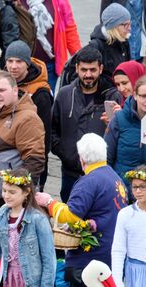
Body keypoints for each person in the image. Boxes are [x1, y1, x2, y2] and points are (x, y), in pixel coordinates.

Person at [36, 133, 128, 287]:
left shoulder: (88, 182)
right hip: (110, 256)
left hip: (90, 260)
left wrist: (49, 203)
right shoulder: (115, 178)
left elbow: (71, 216)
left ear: (82, 158)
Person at [0, 72, 46, 234]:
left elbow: (35, 161)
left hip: (11, 202)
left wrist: (18, 194)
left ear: (15, 90)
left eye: (2, 90)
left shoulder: (27, 118)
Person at [52, 46, 123, 202]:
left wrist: (117, 120)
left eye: (92, 70)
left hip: (100, 173)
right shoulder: (65, 94)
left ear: (100, 69)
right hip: (70, 173)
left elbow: (121, 135)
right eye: (84, 70)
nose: (88, 75)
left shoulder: (112, 96)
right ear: (77, 68)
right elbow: (53, 129)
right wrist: (65, 153)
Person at [4, 41, 53, 192]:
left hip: (30, 160)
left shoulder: (40, 93)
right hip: (5, 157)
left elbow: (45, 136)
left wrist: (37, 168)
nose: (14, 66)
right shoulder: (0, 84)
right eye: (10, 61)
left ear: (28, 63)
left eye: (19, 61)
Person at [105, 76, 146, 182]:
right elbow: (106, 157)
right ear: (135, 95)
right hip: (123, 188)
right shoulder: (119, 119)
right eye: (143, 96)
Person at [18, 0, 82, 90]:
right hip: (21, 65)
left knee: (47, 100)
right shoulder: (13, 2)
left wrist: (79, 57)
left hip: (50, 66)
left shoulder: (60, 1)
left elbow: (69, 28)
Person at [89, 4, 132, 79]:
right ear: (114, 26)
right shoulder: (96, 46)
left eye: (130, 24)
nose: (129, 28)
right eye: (126, 25)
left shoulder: (124, 42)